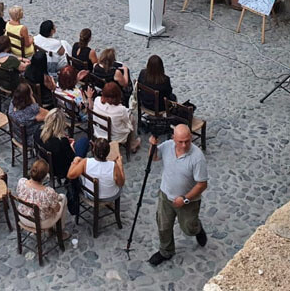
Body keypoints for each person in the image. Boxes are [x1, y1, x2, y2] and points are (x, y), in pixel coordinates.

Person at [148, 125, 209, 266]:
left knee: (189, 228)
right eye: (180, 141)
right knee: (163, 225)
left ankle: (197, 229)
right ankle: (166, 251)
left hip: (188, 201)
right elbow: (155, 157)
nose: (184, 145)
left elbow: (202, 184)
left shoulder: (197, 157)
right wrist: (152, 146)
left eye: (187, 141)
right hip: (166, 195)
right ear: (173, 138)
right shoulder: (168, 146)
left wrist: (185, 199)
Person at [15, 159, 68, 236]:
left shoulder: (21, 182)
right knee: (63, 198)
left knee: (47, 204)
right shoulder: (48, 192)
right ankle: (59, 232)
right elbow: (57, 209)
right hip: (40, 223)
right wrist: (57, 198)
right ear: (45, 176)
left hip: (23, 217)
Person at [36, 108, 89, 182]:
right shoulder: (62, 141)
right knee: (84, 141)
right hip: (62, 169)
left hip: (46, 163)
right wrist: (71, 146)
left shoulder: (38, 131)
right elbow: (72, 158)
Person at [67, 137, 124, 202]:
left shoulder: (85, 162)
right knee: (118, 184)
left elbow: (70, 175)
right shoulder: (114, 166)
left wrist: (74, 161)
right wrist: (120, 166)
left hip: (91, 195)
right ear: (108, 152)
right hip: (110, 196)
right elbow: (121, 183)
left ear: (93, 149)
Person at [89, 82, 140, 152]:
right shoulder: (120, 109)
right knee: (132, 118)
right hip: (114, 137)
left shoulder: (97, 100)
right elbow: (127, 122)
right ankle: (132, 144)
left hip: (99, 132)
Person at [8, 82, 47, 147]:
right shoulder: (31, 109)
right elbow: (48, 114)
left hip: (16, 135)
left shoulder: (12, 102)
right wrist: (33, 101)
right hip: (29, 139)